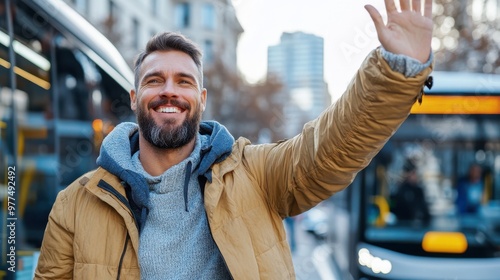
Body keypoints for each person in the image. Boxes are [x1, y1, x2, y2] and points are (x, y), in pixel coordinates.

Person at [34, 1, 434, 279]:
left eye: (184, 82)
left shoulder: (256, 175)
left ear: (201, 100)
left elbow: (330, 148)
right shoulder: (73, 206)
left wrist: (397, 71)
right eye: (154, 80)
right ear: (135, 98)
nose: (169, 91)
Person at [391, 159, 431, 225]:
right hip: (404, 224)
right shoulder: (401, 190)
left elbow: (425, 210)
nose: (415, 176)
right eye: (413, 173)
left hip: (417, 225)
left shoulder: (418, 191)